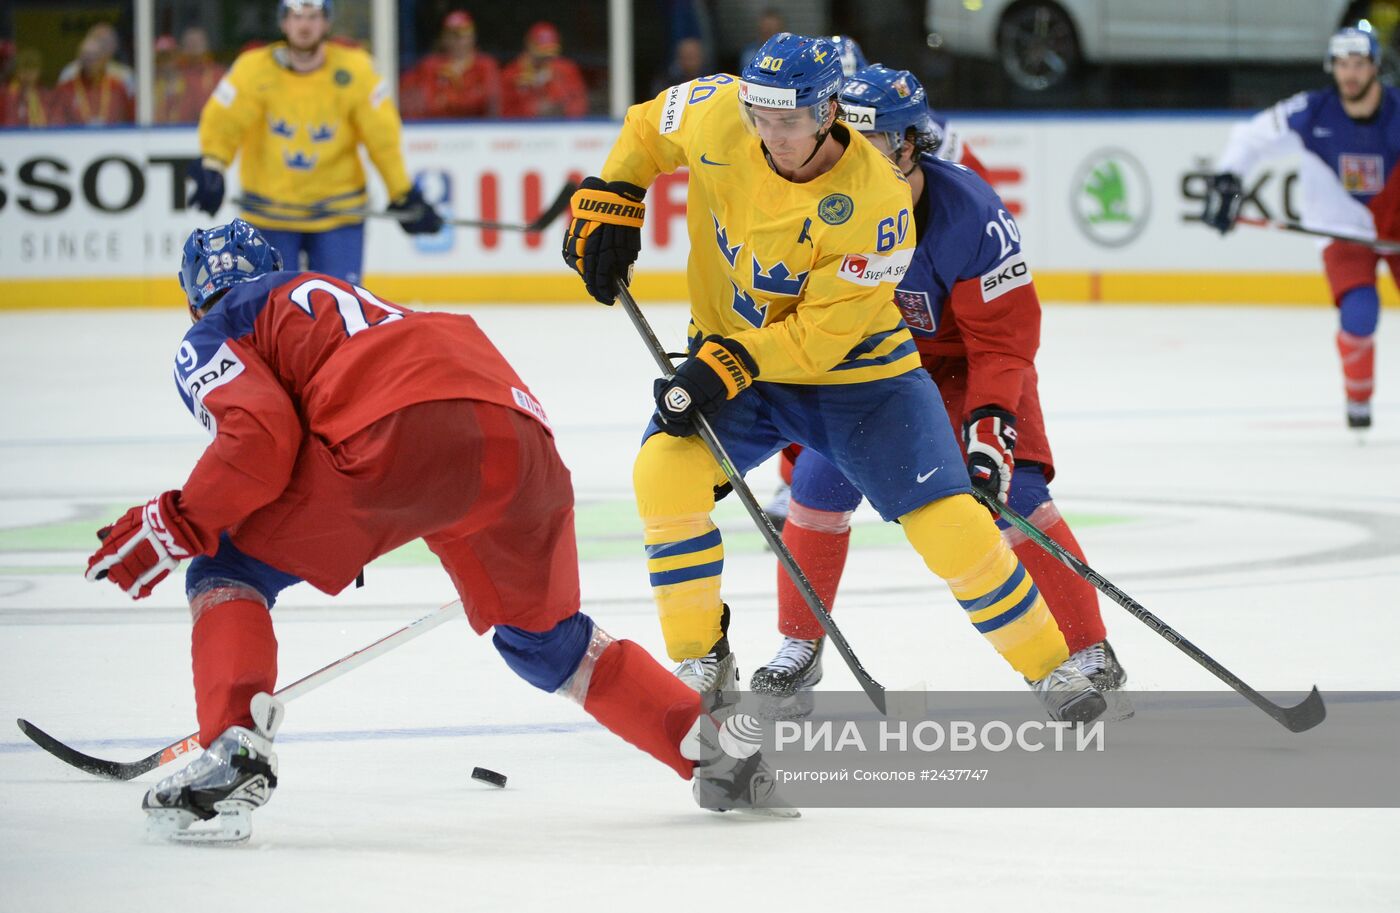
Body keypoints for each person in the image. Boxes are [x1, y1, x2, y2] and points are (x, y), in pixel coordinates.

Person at [83, 218, 792, 842]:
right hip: (519, 434)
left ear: (192, 295)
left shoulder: (217, 325)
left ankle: (234, 744)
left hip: (395, 433)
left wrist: (179, 520)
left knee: (225, 570)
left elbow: (260, 442)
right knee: (550, 642)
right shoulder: (350, 298)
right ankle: (721, 756)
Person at [560, 34, 1106, 724]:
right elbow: (645, 128)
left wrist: (722, 364)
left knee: (951, 525)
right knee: (662, 474)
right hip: (739, 363)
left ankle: (1051, 668)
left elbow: (822, 337)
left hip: (861, 379)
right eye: (761, 116)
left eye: (788, 121)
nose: (770, 135)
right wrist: (615, 194)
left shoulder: (878, 199)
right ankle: (702, 662)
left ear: (827, 112)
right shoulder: (721, 110)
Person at [745, 64, 1129, 714]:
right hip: (876, 369)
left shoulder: (970, 213)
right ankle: (799, 644)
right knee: (815, 480)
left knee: (1016, 494)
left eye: (874, 146)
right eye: (848, 143)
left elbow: (1002, 342)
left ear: (910, 145)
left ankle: (1091, 649)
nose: (855, 162)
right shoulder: (816, 203)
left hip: (966, 372)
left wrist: (989, 428)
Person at [1205, 27, 1400, 431]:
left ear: (1375, 67)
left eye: (1359, 65)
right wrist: (1227, 178)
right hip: (1342, 229)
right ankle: (1358, 396)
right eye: (1343, 65)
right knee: (1360, 313)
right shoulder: (1310, 111)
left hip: (1396, 229)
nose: (1350, 74)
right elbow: (1251, 137)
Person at [189, 0, 443, 286]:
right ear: (283, 22)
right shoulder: (252, 70)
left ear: (327, 22)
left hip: (338, 215)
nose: (305, 25)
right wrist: (213, 164)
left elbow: (382, 137)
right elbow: (224, 121)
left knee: (339, 312)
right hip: (270, 215)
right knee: (271, 313)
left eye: (313, 16)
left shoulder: (356, 70)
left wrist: (402, 192)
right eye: (297, 16)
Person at [399, 10, 500, 120]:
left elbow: (490, 102)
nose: (457, 41)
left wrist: (448, 100)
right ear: (444, 38)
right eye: (451, 35)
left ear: (472, 37)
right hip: (438, 129)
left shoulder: (485, 65)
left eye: (461, 35)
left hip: (478, 130)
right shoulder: (430, 65)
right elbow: (427, 104)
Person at [501, 21, 587, 119]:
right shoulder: (511, 73)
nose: (546, 58)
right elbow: (503, 111)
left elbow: (579, 103)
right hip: (524, 130)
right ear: (529, 46)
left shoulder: (566, 69)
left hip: (560, 128)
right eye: (541, 52)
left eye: (549, 53)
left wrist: (561, 108)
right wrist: (533, 110)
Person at [50, 30, 135, 125]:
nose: (90, 63)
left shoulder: (118, 88)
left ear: (104, 59)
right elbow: (56, 124)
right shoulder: (65, 90)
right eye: (86, 58)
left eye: (95, 58)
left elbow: (130, 120)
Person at [1, 48, 50, 128]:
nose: (28, 75)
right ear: (17, 72)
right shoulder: (6, 94)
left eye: (32, 71)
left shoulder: (46, 94)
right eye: (24, 70)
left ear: (39, 72)